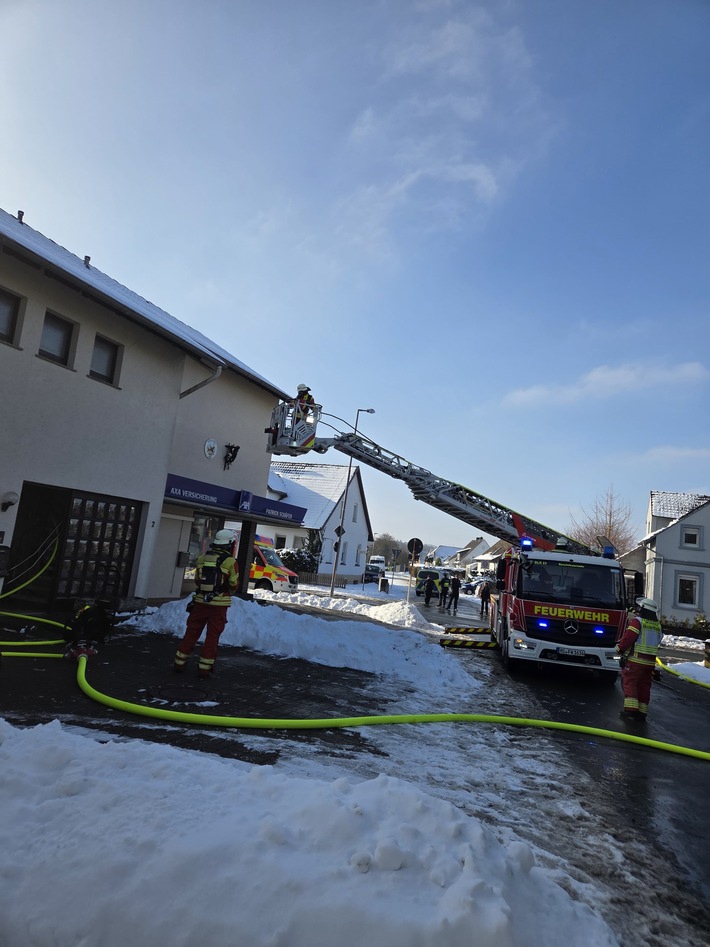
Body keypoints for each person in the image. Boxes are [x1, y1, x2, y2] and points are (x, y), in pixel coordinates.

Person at [174, 529, 239, 678]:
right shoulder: (231, 561)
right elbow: (234, 584)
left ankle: (179, 662)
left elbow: (198, 581)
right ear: (229, 544)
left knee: (191, 632)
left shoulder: (202, 558)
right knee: (212, 636)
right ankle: (204, 668)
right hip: (219, 606)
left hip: (200, 602)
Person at [615, 598, 663, 721]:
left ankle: (631, 711)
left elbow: (629, 638)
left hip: (636, 660)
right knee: (644, 685)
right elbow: (658, 641)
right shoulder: (657, 625)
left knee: (630, 682)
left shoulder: (638, 622)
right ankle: (642, 711)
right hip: (650, 662)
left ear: (643, 609)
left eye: (640, 608)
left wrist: (620, 649)